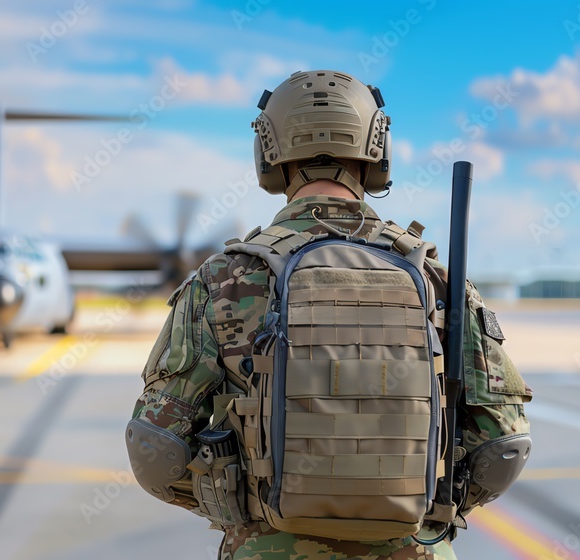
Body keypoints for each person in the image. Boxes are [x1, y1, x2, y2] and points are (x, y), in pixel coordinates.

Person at [126, 70, 533, 560]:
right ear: (377, 151)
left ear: (268, 155)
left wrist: (241, 508)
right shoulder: (438, 281)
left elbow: (156, 451)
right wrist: (427, 507)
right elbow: (502, 446)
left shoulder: (223, 279)